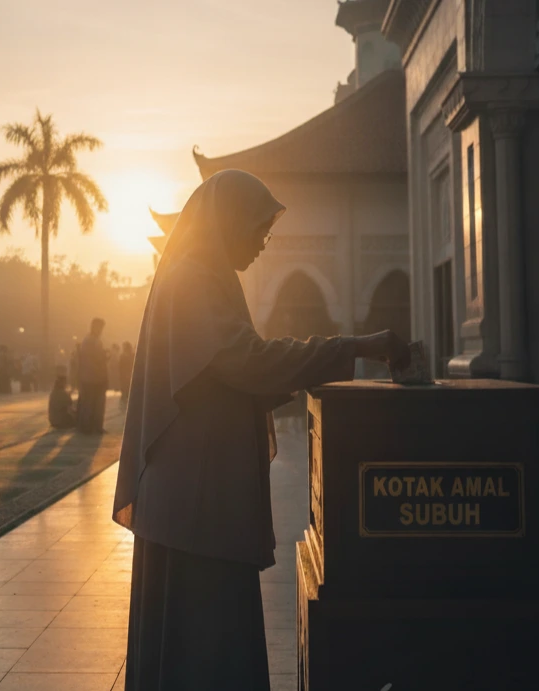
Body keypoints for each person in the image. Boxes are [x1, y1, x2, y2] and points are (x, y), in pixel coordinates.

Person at [112, 170, 410, 691]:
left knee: (200, 642)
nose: (261, 246)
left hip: (194, 499)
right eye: (258, 231)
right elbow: (245, 361)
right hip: (193, 504)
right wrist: (355, 346)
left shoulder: (203, 273)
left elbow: (231, 369)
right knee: (203, 645)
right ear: (227, 222)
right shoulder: (193, 277)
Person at [77, 318, 108, 434]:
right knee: (93, 403)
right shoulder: (92, 341)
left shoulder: (89, 340)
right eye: (100, 327)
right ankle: (91, 427)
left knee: (90, 403)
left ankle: (89, 426)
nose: (101, 330)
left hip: (90, 377)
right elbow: (96, 359)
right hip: (94, 377)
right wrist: (104, 357)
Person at [119, 342, 134, 411]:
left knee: (127, 386)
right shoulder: (129, 355)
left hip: (127, 374)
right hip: (126, 374)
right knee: (125, 386)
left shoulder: (128, 355)